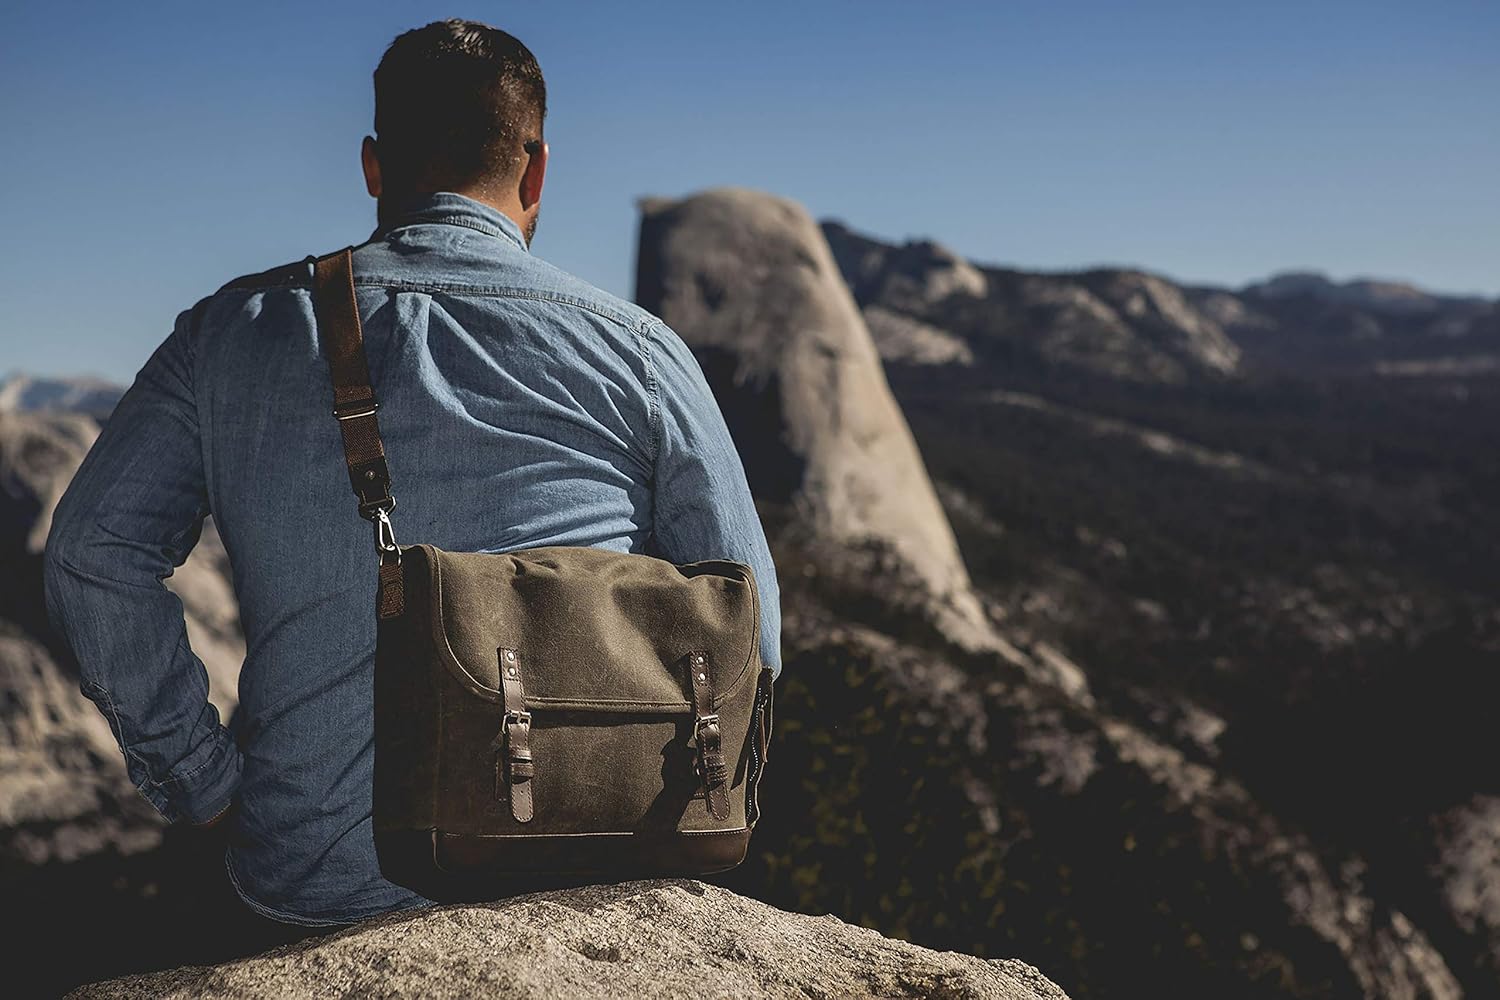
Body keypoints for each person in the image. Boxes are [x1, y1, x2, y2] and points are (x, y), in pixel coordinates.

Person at [41, 18, 781, 933]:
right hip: (594, 880)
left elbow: (90, 553)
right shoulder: (641, 352)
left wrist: (205, 786)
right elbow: (751, 625)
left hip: (315, 884)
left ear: (372, 165)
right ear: (537, 169)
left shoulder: (232, 332)